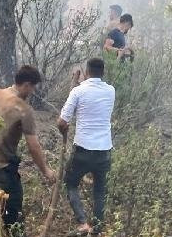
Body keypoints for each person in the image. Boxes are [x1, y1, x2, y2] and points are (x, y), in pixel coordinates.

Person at [0, 65, 56, 236]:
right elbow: (33, 146)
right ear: (27, 84)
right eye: (33, 87)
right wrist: (46, 170)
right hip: (2, 173)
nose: (32, 92)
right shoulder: (23, 109)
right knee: (14, 222)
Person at [57, 58, 115, 236]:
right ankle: (97, 229)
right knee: (99, 191)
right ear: (103, 72)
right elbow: (93, 92)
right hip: (104, 151)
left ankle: (82, 223)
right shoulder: (111, 91)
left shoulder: (78, 92)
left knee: (71, 183)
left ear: (87, 71)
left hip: (83, 150)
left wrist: (64, 129)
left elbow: (61, 122)